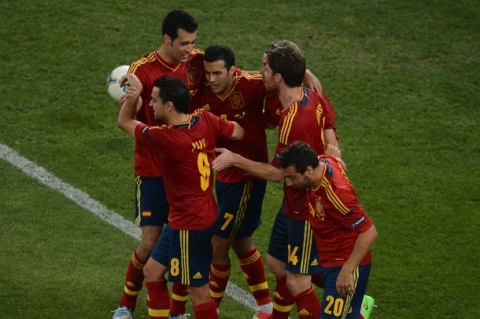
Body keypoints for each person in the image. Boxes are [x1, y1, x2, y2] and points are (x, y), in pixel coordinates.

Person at [212, 40, 340, 319]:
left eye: (265, 68)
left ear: (279, 77)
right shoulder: (311, 94)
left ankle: (344, 291)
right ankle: (338, 283)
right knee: (277, 262)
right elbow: (329, 121)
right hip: (292, 204)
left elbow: (277, 173)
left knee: (297, 279)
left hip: (308, 207)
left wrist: (235, 159)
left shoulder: (294, 119)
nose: (261, 73)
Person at [117, 74, 244, 319]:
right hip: (194, 216)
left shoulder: (166, 139)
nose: (150, 104)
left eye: (153, 100)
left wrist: (134, 95)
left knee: (198, 292)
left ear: (169, 106)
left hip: (190, 223)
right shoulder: (205, 120)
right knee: (153, 271)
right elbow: (237, 131)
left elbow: (124, 121)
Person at [112, 10, 204, 319]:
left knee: (180, 240)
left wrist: (304, 73)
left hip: (183, 174)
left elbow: (231, 72)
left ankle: (176, 311)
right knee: (150, 243)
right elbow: (129, 113)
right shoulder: (142, 70)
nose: (189, 49)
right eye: (183, 43)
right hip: (152, 170)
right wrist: (134, 98)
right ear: (167, 39)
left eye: (192, 42)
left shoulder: (196, 61)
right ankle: (126, 304)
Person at [190, 45, 279, 318]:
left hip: (247, 178)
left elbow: (280, 80)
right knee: (241, 242)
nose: (212, 79)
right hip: (224, 176)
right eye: (208, 73)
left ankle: (211, 309)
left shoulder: (251, 84)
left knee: (218, 244)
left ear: (232, 71)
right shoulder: (201, 92)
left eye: (218, 73)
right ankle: (265, 306)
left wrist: (307, 74)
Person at [278, 141, 378, 319]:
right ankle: (357, 308)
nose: (289, 183)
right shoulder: (323, 162)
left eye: (292, 177)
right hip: (327, 257)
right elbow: (336, 161)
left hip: (342, 264)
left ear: (309, 170)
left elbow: (369, 232)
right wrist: (336, 158)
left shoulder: (336, 193)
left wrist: (347, 271)